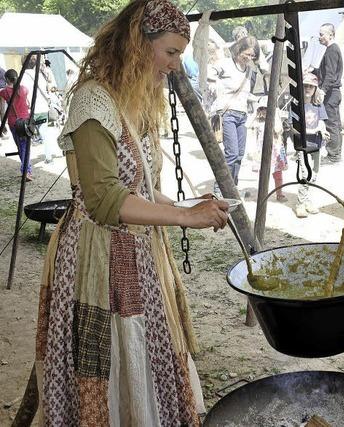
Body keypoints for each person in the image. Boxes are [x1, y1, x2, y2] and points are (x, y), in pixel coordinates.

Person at [34, 1, 229, 425]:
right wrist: (186, 218)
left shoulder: (131, 98)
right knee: (113, 360)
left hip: (139, 253)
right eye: (172, 52)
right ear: (140, 45)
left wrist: (188, 207)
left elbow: (138, 191)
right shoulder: (92, 102)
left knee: (143, 353)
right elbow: (104, 199)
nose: (177, 65)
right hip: (96, 257)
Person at [211, 36, 261, 193]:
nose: (249, 58)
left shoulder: (250, 70)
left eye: (253, 55)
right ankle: (219, 189)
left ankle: (232, 187)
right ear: (238, 50)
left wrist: (259, 100)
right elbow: (207, 74)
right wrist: (213, 86)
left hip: (242, 114)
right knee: (231, 154)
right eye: (247, 54)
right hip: (227, 113)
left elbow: (246, 94)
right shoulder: (225, 64)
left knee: (239, 155)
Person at [296, 72, 328, 218]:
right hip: (303, 144)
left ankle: (308, 200)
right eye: (305, 86)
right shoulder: (296, 105)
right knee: (304, 173)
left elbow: (321, 121)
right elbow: (295, 127)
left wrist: (323, 130)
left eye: (311, 86)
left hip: (316, 143)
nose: (308, 89)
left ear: (315, 89)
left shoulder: (318, 104)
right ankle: (300, 203)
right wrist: (314, 130)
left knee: (314, 174)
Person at [314, 23, 343, 164]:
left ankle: (333, 155)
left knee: (332, 124)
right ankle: (335, 153)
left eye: (322, 34)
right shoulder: (332, 50)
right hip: (334, 92)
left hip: (331, 93)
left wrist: (323, 91)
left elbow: (330, 75)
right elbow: (326, 72)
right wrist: (313, 70)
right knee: (335, 123)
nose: (319, 37)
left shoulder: (332, 50)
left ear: (330, 35)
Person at [248, 100, 288, 201]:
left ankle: (279, 193)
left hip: (275, 151)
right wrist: (255, 114)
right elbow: (247, 124)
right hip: (261, 151)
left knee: (277, 174)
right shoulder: (258, 122)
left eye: (267, 108)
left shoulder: (276, 120)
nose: (264, 111)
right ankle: (262, 194)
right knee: (263, 175)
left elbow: (278, 129)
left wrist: (274, 115)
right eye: (262, 108)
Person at [0, 69, 33, 180]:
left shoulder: (4, 92)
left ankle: (26, 171)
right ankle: (26, 171)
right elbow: (28, 103)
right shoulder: (24, 89)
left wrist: (2, 123)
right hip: (26, 121)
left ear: (6, 79)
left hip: (13, 122)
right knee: (24, 147)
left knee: (21, 147)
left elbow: (2, 110)